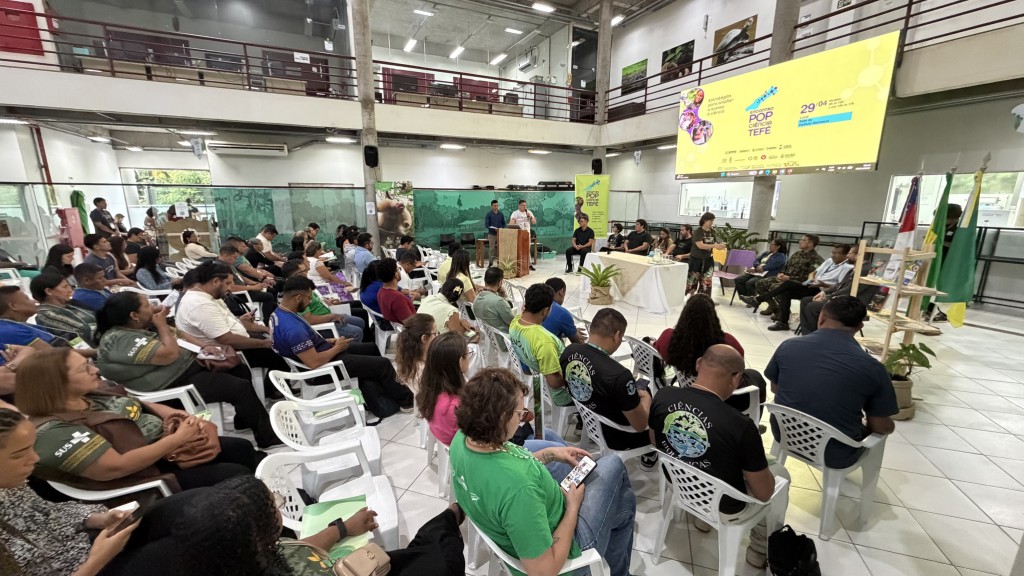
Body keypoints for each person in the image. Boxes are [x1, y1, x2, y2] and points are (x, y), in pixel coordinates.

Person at [450, 368, 636, 576]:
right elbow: (544, 572)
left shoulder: (463, 440)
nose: (523, 419)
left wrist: (549, 454)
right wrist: (572, 507)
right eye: (520, 414)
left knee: (625, 503)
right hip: (567, 548)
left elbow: (508, 465)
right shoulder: (519, 490)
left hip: (539, 516)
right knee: (613, 464)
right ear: (502, 418)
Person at [108, 474, 468, 576]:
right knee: (444, 558)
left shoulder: (237, 556)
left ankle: (450, 516)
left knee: (412, 552)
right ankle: (452, 518)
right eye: (275, 505)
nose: (280, 506)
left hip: (332, 565)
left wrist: (343, 528)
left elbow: (295, 549)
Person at [0, 407, 209, 576]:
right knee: (194, 547)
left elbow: (50, 513)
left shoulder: (11, 487)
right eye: (19, 455)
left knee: (194, 504)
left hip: (87, 546)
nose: (35, 459)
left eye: (32, 448)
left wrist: (99, 519)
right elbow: (114, 467)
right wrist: (97, 560)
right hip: (87, 566)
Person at [16, 348, 258, 492]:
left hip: (168, 448)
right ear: (55, 383)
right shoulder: (53, 431)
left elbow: (145, 405)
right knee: (234, 473)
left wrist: (190, 420)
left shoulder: (94, 393)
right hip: (146, 473)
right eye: (84, 369)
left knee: (242, 448)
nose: (95, 370)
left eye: (89, 363)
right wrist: (177, 439)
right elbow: (115, 468)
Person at [649, 345, 780, 569]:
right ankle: (759, 549)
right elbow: (764, 493)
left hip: (679, 484)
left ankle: (702, 520)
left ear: (699, 363)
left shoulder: (663, 396)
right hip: (726, 506)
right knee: (780, 474)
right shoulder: (741, 426)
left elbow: (655, 442)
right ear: (736, 378)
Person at [95, 292, 281, 448]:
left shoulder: (138, 327)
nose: (153, 308)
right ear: (134, 315)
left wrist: (203, 347)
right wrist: (161, 325)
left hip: (185, 371)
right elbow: (169, 354)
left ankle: (244, 420)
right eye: (147, 305)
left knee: (238, 368)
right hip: (172, 384)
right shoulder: (120, 339)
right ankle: (267, 438)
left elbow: (179, 334)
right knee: (240, 388)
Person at [768, 296, 897, 467]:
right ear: (860, 327)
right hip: (835, 453)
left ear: (821, 318)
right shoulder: (873, 367)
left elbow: (775, 388)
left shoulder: (788, 346)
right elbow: (880, 426)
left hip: (784, 434)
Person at [270, 276, 413, 418]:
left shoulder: (279, 314)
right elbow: (313, 362)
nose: (310, 302)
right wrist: (337, 348)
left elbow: (303, 344)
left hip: (323, 353)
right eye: (309, 298)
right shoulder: (293, 329)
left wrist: (329, 341)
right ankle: (407, 402)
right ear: (298, 298)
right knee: (383, 364)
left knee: (370, 348)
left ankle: (382, 393)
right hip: (323, 369)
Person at [561, 308, 657, 468]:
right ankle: (650, 455)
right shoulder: (619, 375)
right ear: (618, 335)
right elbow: (640, 425)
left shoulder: (569, 351)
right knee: (653, 400)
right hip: (619, 435)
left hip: (590, 421)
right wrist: (647, 399)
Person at [174, 261, 289, 386]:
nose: (230, 288)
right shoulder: (200, 304)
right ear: (215, 281)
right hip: (228, 350)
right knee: (281, 353)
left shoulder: (208, 296)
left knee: (281, 343)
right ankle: (273, 389)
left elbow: (223, 323)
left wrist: (244, 323)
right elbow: (226, 339)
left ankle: (272, 388)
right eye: (228, 283)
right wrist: (265, 343)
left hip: (235, 340)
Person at [657, 294, 766, 413]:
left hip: (688, 390)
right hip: (723, 398)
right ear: (713, 317)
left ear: (684, 315)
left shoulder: (669, 338)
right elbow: (738, 368)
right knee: (755, 376)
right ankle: (753, 419)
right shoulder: (727, 344)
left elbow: (658, 349)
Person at [745, 243, 853, 331]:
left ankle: (758, 299)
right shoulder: (829, 261)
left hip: (821, 290)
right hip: (811, 284)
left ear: (845, 255)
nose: (833, 255)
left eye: (837, 253)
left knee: (788, 284)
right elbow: (814, 272)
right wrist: (811, 279)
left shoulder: (847, 267)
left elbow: (839, 285)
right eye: (832, 252)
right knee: (786, 292)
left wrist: (821, 283)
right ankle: (783, 322)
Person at [509, 284, 573, 408]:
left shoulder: (515, 322)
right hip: (563, 395)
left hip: (540, 379)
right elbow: (555, 383)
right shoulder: (544, 342)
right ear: (546, 310)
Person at [280, 258, 366, 342]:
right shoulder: (297, 291)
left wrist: (330, 303)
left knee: (360, 321)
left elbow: (317, 299)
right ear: (297, 274)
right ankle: (351, 349)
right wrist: (331, 316)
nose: (308, 272)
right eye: (305, 271)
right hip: (323, 322)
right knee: (357, 332)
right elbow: (309, 319)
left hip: (328, 313)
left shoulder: (302, 284)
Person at [799, 245, 877, 334]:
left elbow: (849, 289)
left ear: (858, 255)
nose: (847, 256)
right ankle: (809, 334)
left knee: (812, 307)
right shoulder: (857, 267)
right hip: (844, 298)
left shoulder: (865, 270)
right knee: (805, 301)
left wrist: (828, 297)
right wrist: (824, 292)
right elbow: (840, 284)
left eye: (849, 253)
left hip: (852, 304)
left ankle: (815, 336)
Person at [751, 234, 825, 318]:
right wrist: (781, 274)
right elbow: (786, 267)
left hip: (799, 284)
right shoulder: (797, 254)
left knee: (775, 287)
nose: (799, 241)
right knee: (760, 283)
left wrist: (789, 278)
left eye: (803, 240)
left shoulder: (816, 259)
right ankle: (773, 306)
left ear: (810, 244)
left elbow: (810, 279)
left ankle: (783, 311)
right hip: (785, 279)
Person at [30, 273, 97, 345]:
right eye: (65, 287)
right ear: (49, 291)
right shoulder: (46, 315)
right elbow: (83, 332)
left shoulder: (72, 304)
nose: (70, 290)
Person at [686, 212, 728, 296]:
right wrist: (714, 245)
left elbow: (714, 243)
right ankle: (692, 298)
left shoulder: (712, 232)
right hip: (696, 259)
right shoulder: (698, 232)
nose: (712, 222)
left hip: (708, 260)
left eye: (713, 220)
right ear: (704, 220)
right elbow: (700, 245)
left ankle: (704, 298)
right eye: (710, 220)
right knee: (693, 281)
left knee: (706, 281)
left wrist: (720, 246)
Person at [395, 313, 437, 395]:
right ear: (424, 338)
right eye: (435, 333)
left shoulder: (406, 359)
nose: (437, 336)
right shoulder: (426, 371)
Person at [542, 277, 584, 344]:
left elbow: (545, 330)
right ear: (561, 292)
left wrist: (569, 331)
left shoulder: (536, 304)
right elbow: (579, 343)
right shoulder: (562, 313)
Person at [472, 267, 514, 335]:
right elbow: (513, 322)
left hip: (488, 335)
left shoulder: (477, 298)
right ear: (500, 283)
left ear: (485, 280)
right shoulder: (499, 302)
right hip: (504, 337)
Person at [376, 258, 416, 324]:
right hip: (410, 326)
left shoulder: (381, 291)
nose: (400, 271)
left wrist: (408, 302)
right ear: (396, 274)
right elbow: (410, 323)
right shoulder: (397, 297)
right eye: (398, 269)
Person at [484, 199, 505, 266]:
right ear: (492, 206)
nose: (496, 207)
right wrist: (493, 228)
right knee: (492, 249)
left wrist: (501, 228)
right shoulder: (489, 214)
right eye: (494, 205)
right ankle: (490, 263)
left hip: (500, 234)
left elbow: (504, 224)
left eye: (497, 205)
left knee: (500, 248)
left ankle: (500, 263)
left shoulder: (501, 214)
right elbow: (487, 225)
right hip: (492, 234)